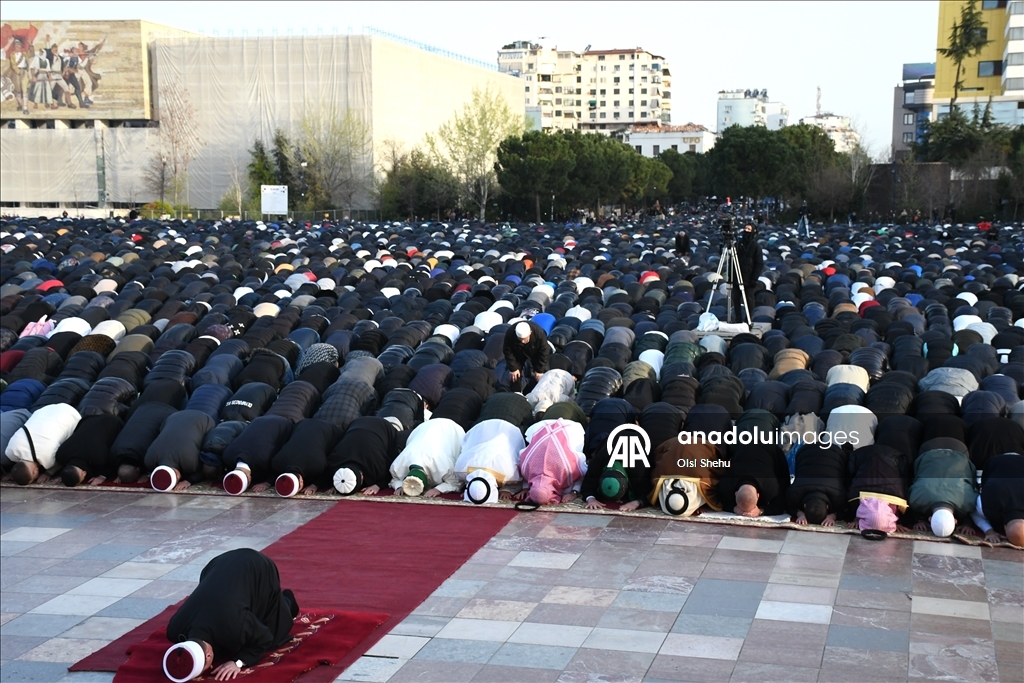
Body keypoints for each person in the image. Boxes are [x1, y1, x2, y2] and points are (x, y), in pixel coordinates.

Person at [163, 548, 298, 682]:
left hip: (256, 565)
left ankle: (287, 602)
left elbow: (264, 637)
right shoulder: (175, 630)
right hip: (218, 563)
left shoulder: (234, 625)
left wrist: (238, 662)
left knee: (272, 628)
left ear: (209, 655)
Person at [971, 452, 1024, 546]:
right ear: (1004, 528)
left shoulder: (989, 503)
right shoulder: (987, 504)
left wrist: (989, 531)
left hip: (1004, 461)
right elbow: (974, 512)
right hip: (996, 462)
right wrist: (989, 531)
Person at [503, 321, 550, 390]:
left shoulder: (539, 333)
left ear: (530, 332)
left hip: (535, 351)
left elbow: (544, 351)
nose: (522, 341)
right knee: (514, 375)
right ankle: (515, 392)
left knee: (541, 374)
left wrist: (539, 370)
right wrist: (513, 368)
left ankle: (539, 390)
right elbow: (507, 351)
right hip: (517, 352)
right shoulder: (510, 333)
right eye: (520, 339)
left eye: (524, 339)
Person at [733, 222, 762, 322]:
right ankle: (738, 319)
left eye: (749, 229)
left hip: (749, 278)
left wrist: (754, 278)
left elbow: (759, 264)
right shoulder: (737, 244)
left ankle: (748, 320)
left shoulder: (756, 246)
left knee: (749, 300)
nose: (746, 231)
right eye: (745, 228)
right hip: (736, 276)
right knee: (735, 299)